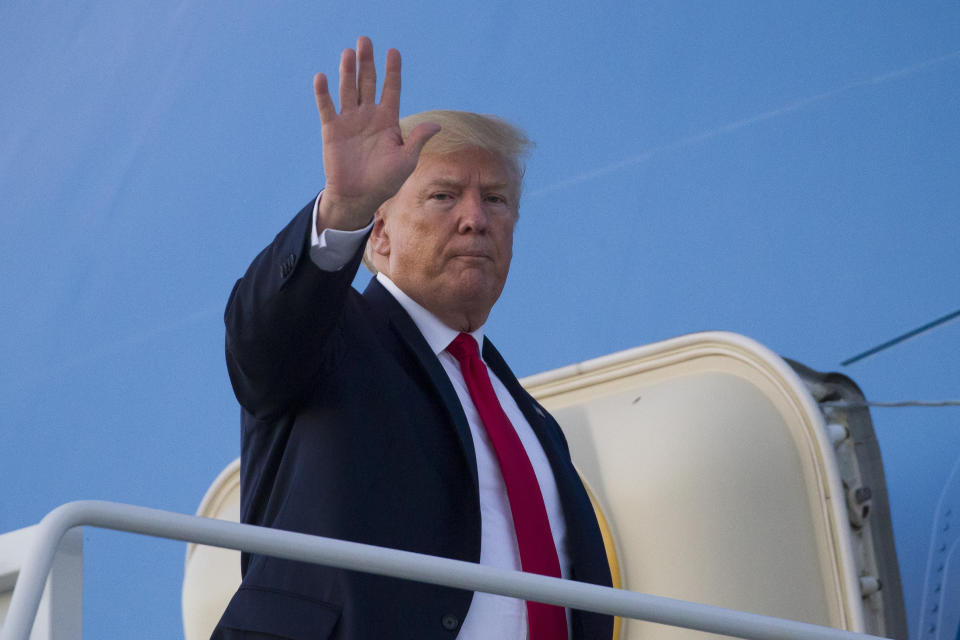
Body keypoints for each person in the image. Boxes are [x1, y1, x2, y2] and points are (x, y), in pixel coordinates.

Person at [213, 37, 613, 640]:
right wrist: (342, 209)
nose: (476, 217)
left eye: (497, 200)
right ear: (378, 237)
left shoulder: (527, 418)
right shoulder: (331, 337)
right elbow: (261, 344)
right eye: (444, 195)